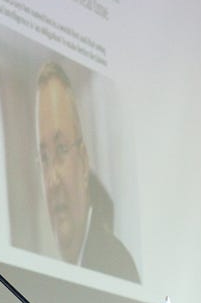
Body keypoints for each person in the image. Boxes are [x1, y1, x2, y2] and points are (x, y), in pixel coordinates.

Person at [35, 62, 139, 282]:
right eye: (44, 158)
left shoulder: (115, 264)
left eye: (62, 149)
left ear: (83, 163)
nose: (52, 180)